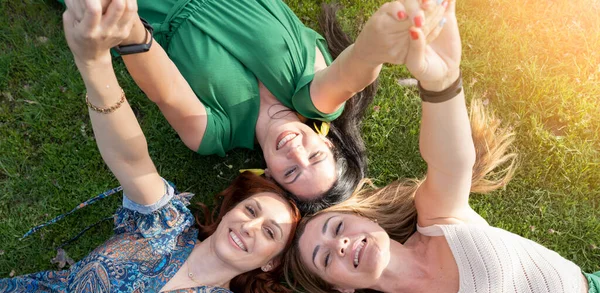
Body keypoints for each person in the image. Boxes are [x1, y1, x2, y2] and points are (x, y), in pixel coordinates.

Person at [0, 3, 395, 293]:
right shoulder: (166, 223)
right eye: (251, 210)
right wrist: (94, 65)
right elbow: (131, 159)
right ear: (229, 213)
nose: (249, 225)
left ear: (271, 261)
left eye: (270, 232)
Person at [286, 2, 599, 293]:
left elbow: (452, 161)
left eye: (337, 228)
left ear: (368, 221)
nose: (340, 244)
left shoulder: (438, 219)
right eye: (326, 258)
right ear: (342, 288)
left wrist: (442, 80)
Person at [60, 0, 446, 213]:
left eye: (292, 172)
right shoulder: (313, 95)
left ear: (271, 178)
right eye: (314, 156)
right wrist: (377, 45)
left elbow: (161, 82)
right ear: (326, 142)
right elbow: (353, 70)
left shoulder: (214, 133)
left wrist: (122, 22)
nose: (296, 151)